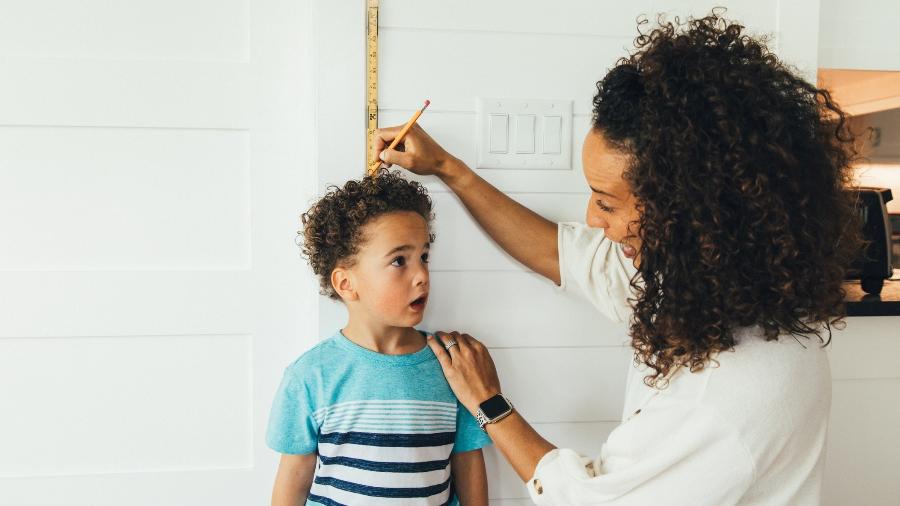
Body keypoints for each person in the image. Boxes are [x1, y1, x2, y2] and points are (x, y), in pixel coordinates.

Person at [372, 13, 862, 506]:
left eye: (607, 202)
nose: (592, 219)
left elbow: (591, 501)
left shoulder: (728, 392)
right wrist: (448, 169)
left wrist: (488, 404)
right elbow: (560, 253)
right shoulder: (710, 290)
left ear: (690, 208)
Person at [266, 171, 491, 505]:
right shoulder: (311, 376)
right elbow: (294, 480)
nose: (422, 276)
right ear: (346, 284)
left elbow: (468, 461)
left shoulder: (452, 365)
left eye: (424, 257)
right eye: (399, 260)